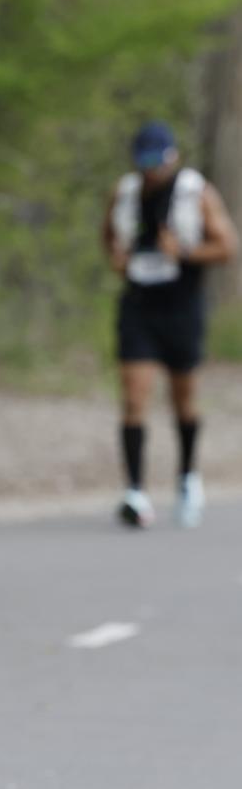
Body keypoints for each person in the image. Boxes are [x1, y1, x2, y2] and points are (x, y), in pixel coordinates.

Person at [103, 120, 237, 529]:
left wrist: (183, 251)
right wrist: (117, 258)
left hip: (182, 306)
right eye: (143, 161)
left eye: (156, 161)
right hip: (139, 305)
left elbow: (228, 247)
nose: (150, 170)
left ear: (172, 157)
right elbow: (108, 238)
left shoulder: (197, 194)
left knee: (183, 399)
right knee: (133, 395)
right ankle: (135, 491)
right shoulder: (125, 193)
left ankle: (187, 477)